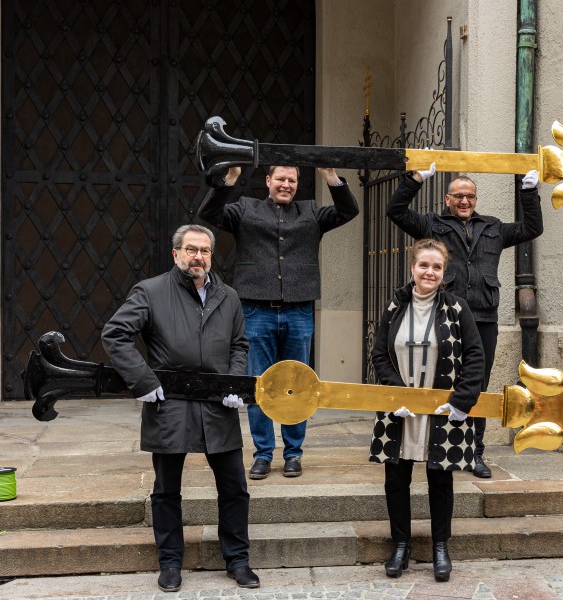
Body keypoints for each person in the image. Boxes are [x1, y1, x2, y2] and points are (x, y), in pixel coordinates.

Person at [101, 224, 259, 592]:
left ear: (211, 256)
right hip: (169, 403)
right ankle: (170, 562)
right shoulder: (151, 291)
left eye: (204, 251)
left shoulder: (229, 296)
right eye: (191, 250)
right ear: (176, 254)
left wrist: (233, 382)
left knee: (235, 486)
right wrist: (143, 380)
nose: (198, 257)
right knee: (167, 489)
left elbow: (239, 345)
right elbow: (115, 333)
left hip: (216, 404)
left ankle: (238, 560)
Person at [199, 165, 358, 480]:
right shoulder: (245, 208)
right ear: (269, 181)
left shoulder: (311, 212)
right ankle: (262, 454)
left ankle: (293, 454)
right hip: (256, 310)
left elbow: (348, 210)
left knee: (297, 385)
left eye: (292, 180)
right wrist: (229, 178)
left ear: (298, 184)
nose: (286, 184)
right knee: (260, 385)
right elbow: (210, 211)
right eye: (281, 179)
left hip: (299, 310)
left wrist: (331, 177)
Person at [386, 166, 543, 478]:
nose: (464, 201)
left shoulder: (494, 227)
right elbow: (396, 211)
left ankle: (475, 453)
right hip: (444, 315)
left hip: (483, 317)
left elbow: (531, 228)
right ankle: (437, 447)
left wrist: (528, 192)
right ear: (447, 199)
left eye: (469, 196)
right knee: (441, 382)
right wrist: (416, 179)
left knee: (477, 387)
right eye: (458, 196)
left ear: (475, 199)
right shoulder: (432, 225)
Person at [369, 238, 485, 583]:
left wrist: (462, 401)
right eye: (424, 265)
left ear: (443, 272)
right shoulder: (395, 306)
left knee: (440, 480)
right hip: (400, 409)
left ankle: (440, 547)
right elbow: (378, 354)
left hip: (441, 411)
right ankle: (401, 545)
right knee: (395, 479)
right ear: (412, 268)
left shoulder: (457, 308)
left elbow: (476, 357)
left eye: (436, 267)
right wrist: (395, 391)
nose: (429, 272)